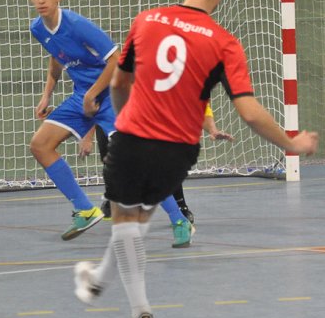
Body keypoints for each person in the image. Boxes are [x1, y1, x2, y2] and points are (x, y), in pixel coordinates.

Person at [72, 0, 319, 318]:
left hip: (135, 137)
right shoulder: (225, 44)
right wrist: (292, 142)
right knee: (137, 221)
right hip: (180, 150)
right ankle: (97, 281)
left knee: (125, 222)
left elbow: (120, 84)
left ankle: (142, 316)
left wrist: (123, 122)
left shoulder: (147, 20)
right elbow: (251, 113)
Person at [28, 0, 114, 240]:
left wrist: (93, 95)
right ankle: (84, 209)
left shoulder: (77, 24)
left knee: (135, 160)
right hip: (82, 96)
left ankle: (179, 218)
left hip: (113, 92)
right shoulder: (37, 28)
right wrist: (46, 96)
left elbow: (116, 60)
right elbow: (57, 57)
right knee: (40, 145)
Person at [93, 105, 233, 247]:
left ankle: (179, 218)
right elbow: (89, 105)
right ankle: (176, 220)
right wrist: (87, 136)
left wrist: (212, 129)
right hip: (114, 120)